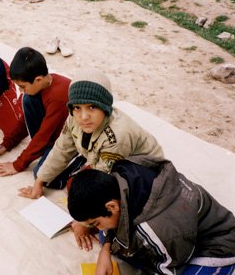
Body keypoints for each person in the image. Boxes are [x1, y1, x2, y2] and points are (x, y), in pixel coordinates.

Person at [18, 72, 165, 251]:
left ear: (105, 108)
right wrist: (40, 181)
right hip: (102, 161)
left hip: (142, 173)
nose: (83, 116)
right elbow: (62, 148)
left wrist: (85, 223)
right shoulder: (74, 118)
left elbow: (103, 183)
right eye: (77, 108)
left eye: (92, 107)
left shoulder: (117, 137)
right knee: (67, 184)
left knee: (111, 214)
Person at [68, 156, 235, 275]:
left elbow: (169, 270)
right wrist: (105, 249)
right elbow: (116, 223)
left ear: (112, 206)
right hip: (178, 235)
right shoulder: (120, 180)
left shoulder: (159, 231)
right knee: (111, 236)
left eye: (96, 222)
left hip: (218, 245)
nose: (97, 227)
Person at [0, 47, 84, 186]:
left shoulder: (59, 97)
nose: (20, 91)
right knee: (27, 99)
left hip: (74, 140)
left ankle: (81, 160)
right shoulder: (42, 85)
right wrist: (7, 143)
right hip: (55, 133)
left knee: (43, 177)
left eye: (22, 86)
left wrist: (17, 165)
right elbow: (26, 120)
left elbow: (44, 135)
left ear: (38, 80)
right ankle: (44, 151)